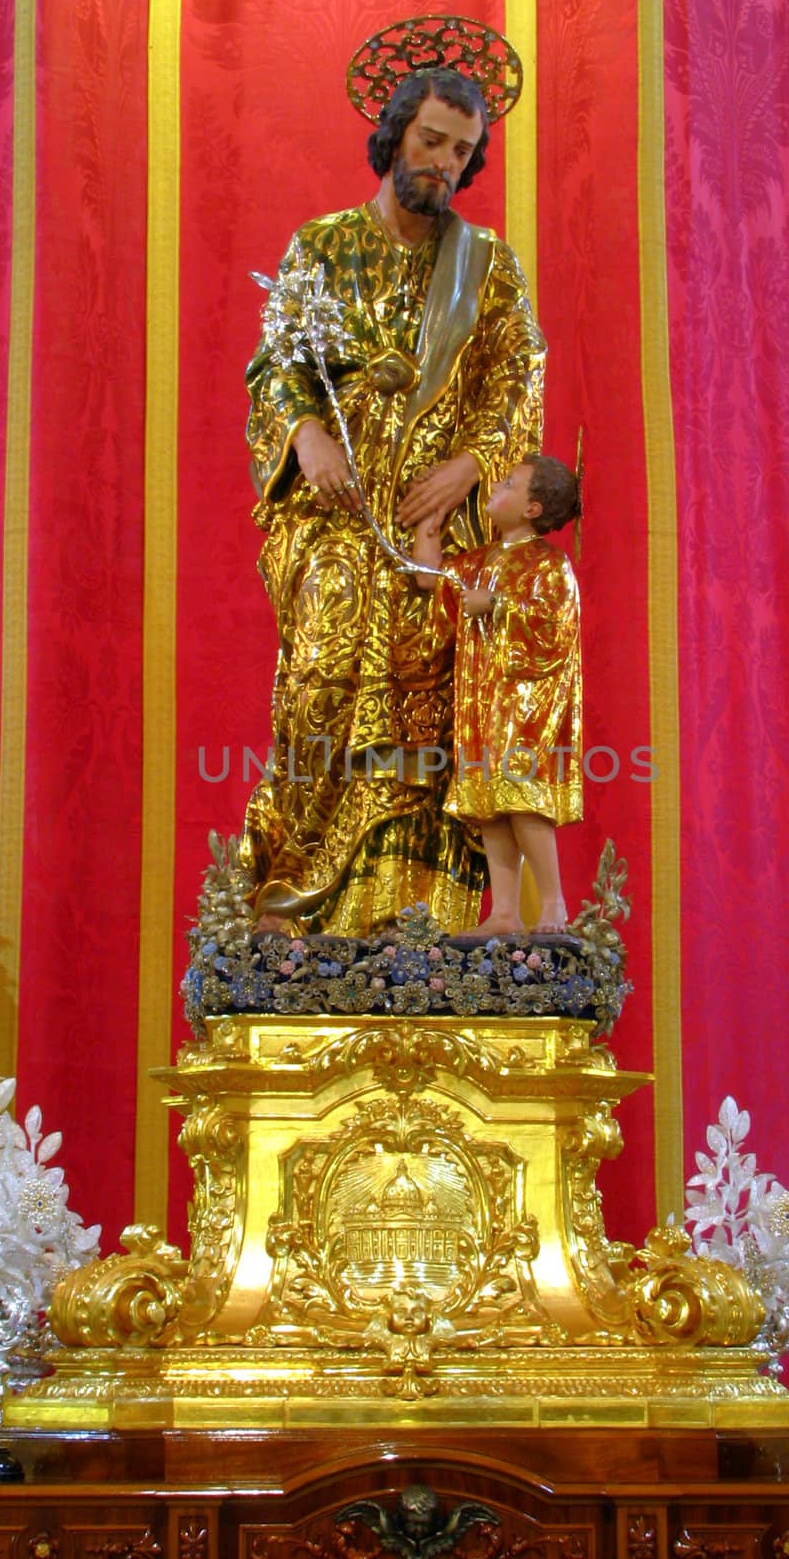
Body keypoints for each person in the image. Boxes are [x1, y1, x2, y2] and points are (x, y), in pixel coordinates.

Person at [242, 64, 546, 935]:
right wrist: (305, 432)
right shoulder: (324, 245)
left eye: (462, 151)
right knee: (323, 674)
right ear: (394, 136)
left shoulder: (484, 266)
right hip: (336, 518)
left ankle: (410, 913)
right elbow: (276, 366)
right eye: (431, 142)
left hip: (432, 527)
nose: (444, 164)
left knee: (430, 700)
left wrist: (470, 468)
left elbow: (516, 379)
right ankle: (293, 895)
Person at [412, 454, 582, 934]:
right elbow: (433, 578)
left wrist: (499, 605)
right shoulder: (482, 560)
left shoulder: (547, 564)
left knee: (521, 798)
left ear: (532, 509)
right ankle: (504, 911)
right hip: (483, 702)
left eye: (509, 484)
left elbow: (555, 625)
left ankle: (552, 904)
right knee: (489, 805)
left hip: (525, 705)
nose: (497, 487)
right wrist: (428, 522)